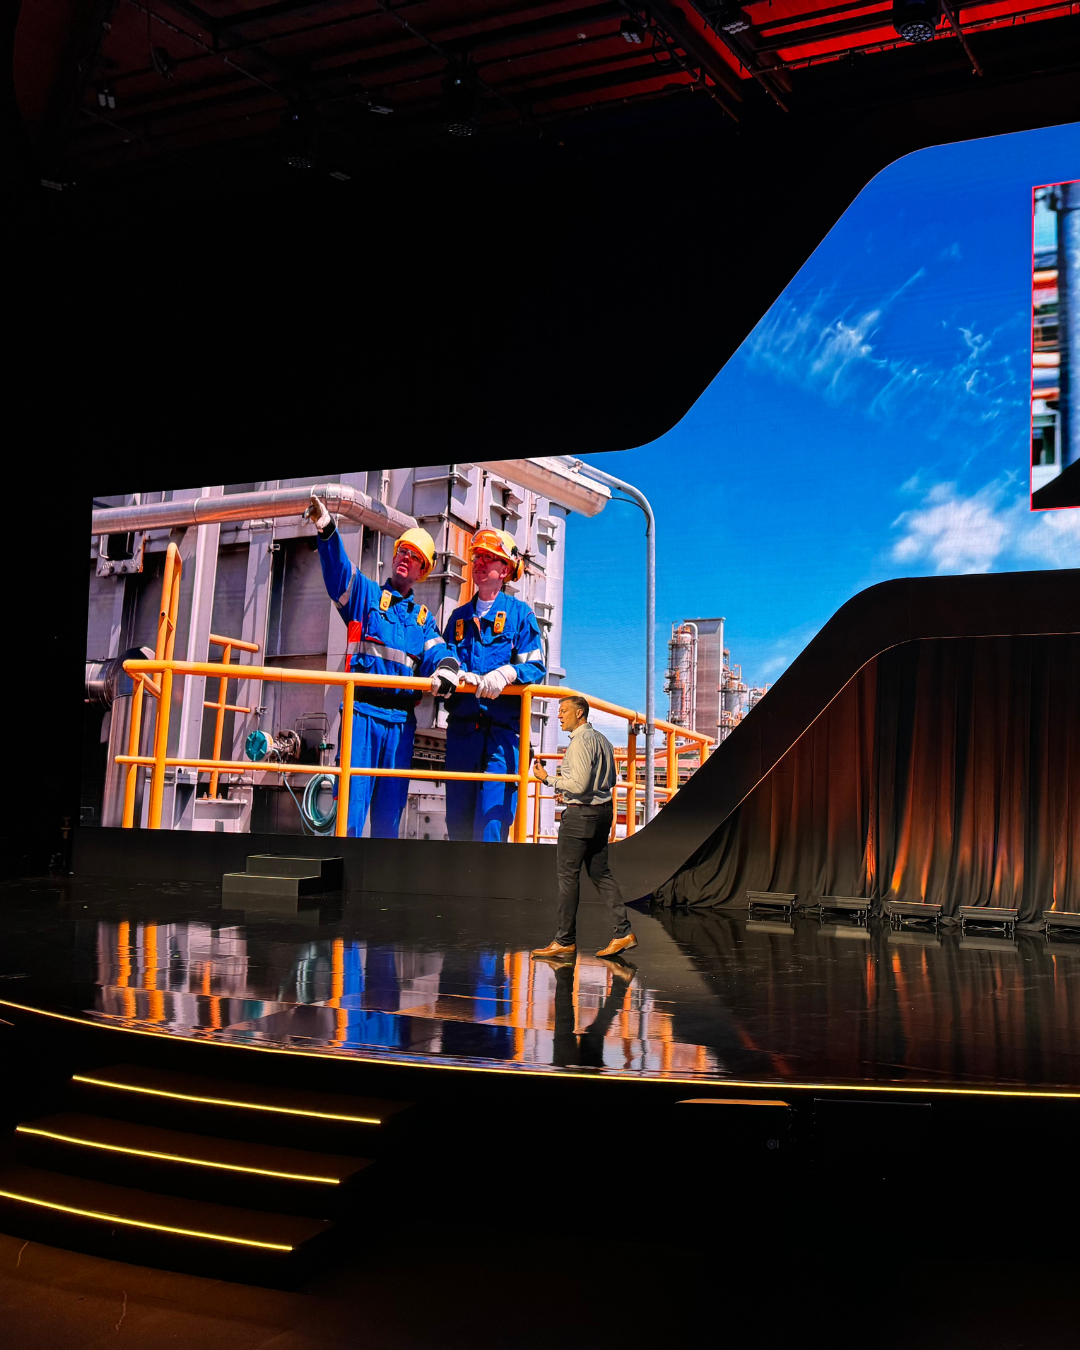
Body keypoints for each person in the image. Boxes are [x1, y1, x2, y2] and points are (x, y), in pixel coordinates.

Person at [307, 494, 460, 838]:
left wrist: (448, 667)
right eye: (402, 552)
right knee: (351, 811)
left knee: (389, 818)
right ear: (394, 558)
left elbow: (440, 653)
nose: (406, 558)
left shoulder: (422, 621)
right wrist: (327, 530)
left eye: (415, 557)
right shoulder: (366, 596)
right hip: (362, 714)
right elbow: (339, 574)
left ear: (423, 571)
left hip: (401, 725)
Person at [441, 528, 546, 842]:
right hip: (461, 736)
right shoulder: (458, 619)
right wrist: (449, 675)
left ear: (506, 570)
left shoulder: (519, 615)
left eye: (489, 558)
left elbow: (535, 665)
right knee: (457, 827)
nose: (480, 563)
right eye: (477, 557)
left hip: (501, 739)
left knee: (491, 828)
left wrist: (508, 674)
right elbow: (443, 660)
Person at [530, 695, 637, 960]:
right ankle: (623, 932)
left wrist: (547, 779)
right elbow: (610, 779)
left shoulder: (579, 743)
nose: (559, 716)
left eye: (564, 711)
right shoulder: (603, 741)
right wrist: (569, 793)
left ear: (580, 714)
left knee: (568, 878)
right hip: (603, 813)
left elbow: (578, 786)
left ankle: (564, 941)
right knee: (601, 874)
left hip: (579, 818)